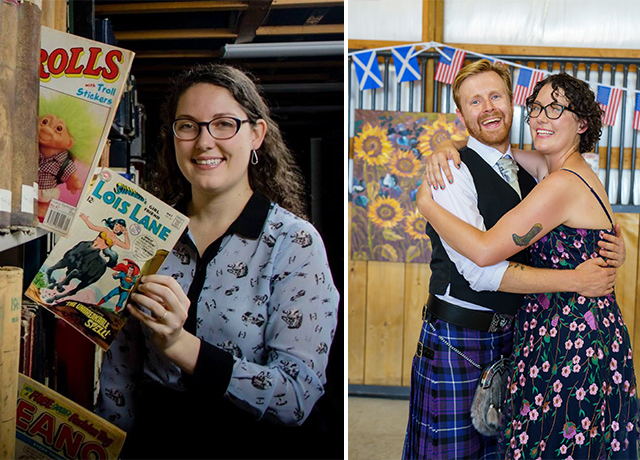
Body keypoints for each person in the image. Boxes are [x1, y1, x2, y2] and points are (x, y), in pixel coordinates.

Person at [95, 63, 340, 459]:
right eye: (188, 125)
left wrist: (178, 344)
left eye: (224, 124)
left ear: (256, 135)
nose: (204, 141)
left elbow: (295, 396)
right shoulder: (144, 231)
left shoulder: (293, 242)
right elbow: (120, 373)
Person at [402, 60, 626, 460]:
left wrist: (424, 207)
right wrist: (448, 150)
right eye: (538, 108)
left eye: (495, 96)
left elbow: (488, 248)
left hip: (550, 336)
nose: (488, 108)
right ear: (461, 114)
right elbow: (479, 270)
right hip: (463, 336)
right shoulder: (459, 172)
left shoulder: (548, 177)